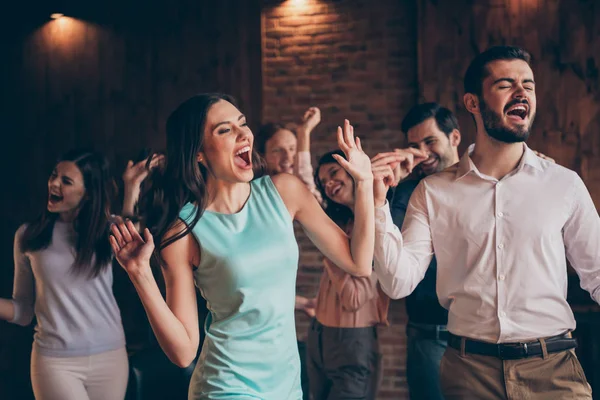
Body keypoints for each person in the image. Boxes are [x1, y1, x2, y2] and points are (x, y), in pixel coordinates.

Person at [109, 93, 384, 399]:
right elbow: (184, 352)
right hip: (226, 387)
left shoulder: (284, 191)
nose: (244, 134)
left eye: (242, 123)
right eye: (224, 130)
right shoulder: (183, 231)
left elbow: (358, 263)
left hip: (286, 387)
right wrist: (141, 276)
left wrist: (364, 182)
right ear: (198, 153)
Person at [372, 45, 598, 399]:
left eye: (529, 84)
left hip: (552, 369)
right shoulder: (432, 192)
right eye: (506, 84)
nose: (522, 92)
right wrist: (376, 203)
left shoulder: (563, 184)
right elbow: (398, 283)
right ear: (473, 103)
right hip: (468, 372)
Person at [0, 149, 128, 400]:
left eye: (66, 181)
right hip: (55, 363)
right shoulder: (28, 236)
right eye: (54, 175)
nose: (54, 184)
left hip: (111, 357)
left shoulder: (107, 230)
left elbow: (137, 233)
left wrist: (132, 186)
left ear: (88, 193)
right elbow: (24, 311)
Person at [305, 149, 394, 399]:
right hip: (318, 333)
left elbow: (353, 298)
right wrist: (304, 134)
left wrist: (329, 250)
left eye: (334, 173)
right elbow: (305, 189)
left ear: (352, 170)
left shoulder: (378, 222)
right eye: (324, 182)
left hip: (351, 340)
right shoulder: (338, 221)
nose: (329, 184)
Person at [391, 103, 460, 400]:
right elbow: (389, 258)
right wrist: (388, 186)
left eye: (430, 141)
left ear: (454, 138)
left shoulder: (484, 185)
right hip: (428, 334)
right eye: (414, 145)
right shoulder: (404, 194)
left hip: (484, 337)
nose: (422, 153)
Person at [256, 106, 323, 202]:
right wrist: (304, 132)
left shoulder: (318, 189)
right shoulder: (259, 193)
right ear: (262, 156)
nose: (288, 157)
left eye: (292, 149)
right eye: (277, 150)